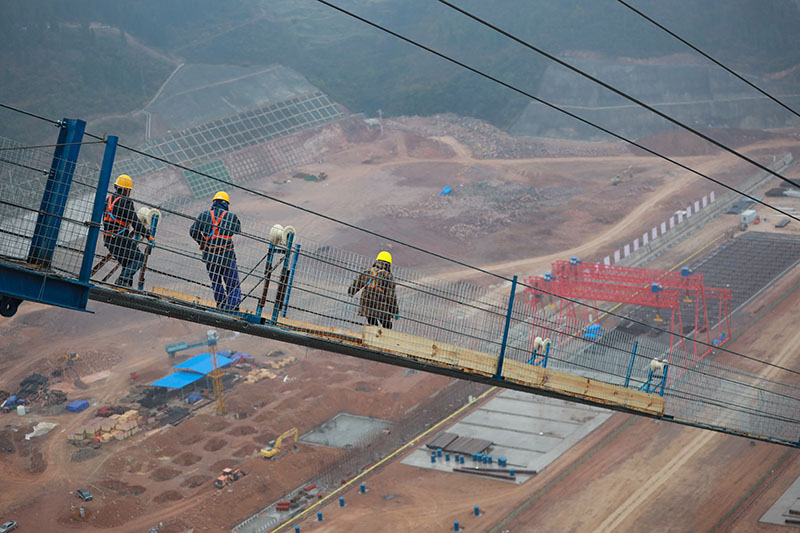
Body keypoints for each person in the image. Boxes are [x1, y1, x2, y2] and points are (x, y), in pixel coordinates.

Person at [190, 191, 242, 311]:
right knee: (233, 284)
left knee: (216, 283)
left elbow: (193, 231)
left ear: (214, 202)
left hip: (210, 257)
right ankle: (232, 307)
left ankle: (221, 305)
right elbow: (238, 230)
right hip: (227, 256)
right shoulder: (231, 216)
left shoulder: (204, 215)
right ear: (226, 204)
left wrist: (202, 242)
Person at [102, 174, 151, 287]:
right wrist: (148, 236)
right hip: (121, 239)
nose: (129, 193)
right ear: (125, 190)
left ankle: (125, 286)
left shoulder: (108, 200)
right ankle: (122, 279)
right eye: (129, 190)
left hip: (108, 239)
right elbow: (135, 222)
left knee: (128, 263)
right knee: (139, 258)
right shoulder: (126, 202)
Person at [348, 251, 399, 329]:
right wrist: (395, 311)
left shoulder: (368, 272)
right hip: (380, 306)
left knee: (372, 325)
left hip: (366, 303)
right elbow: (391, 296)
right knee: (387, 326)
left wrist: (351, 292)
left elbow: (357, 284)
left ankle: (373, 334)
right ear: (388, 264)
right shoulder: (387, 276)